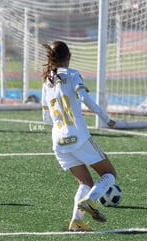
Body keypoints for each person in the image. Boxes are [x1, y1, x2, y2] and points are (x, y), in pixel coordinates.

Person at [41, 41, 117, 232]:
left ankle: (77, 222)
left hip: (58, 141)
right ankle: (90, 201)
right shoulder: (73, 75)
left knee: (85, 182)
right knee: (109, 175)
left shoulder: (47, 81)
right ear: (69, 56)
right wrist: (106, 118)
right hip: (79, 137)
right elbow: (85, 99)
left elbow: (46, 117)